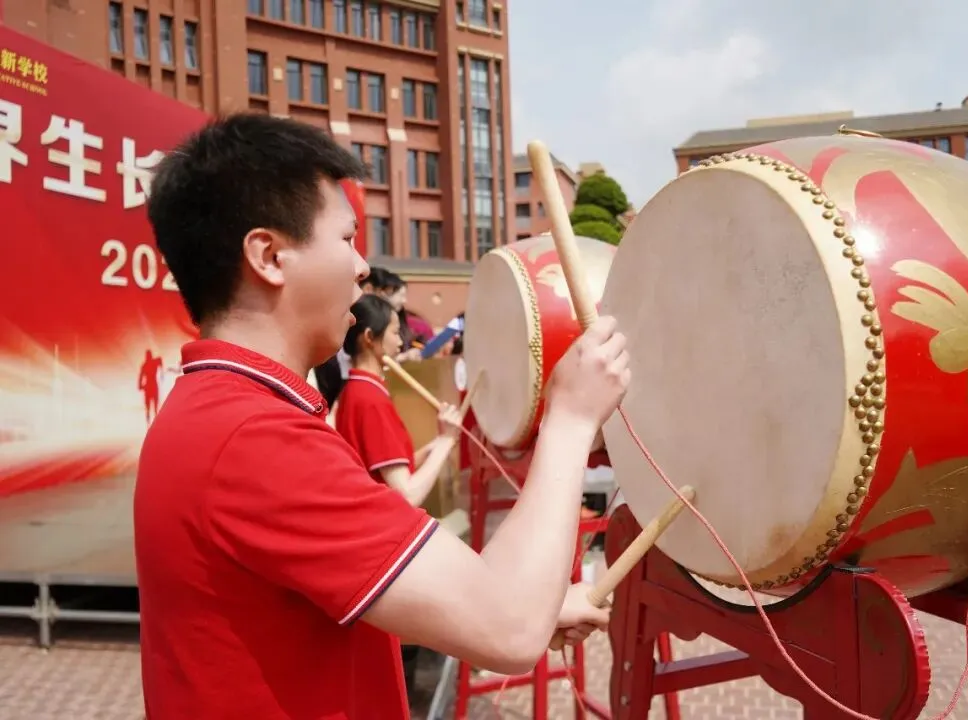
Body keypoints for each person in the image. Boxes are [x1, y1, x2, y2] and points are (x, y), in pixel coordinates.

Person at [134, 112, 628, 720]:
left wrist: (536, 601)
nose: (362, 267)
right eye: (345, 240)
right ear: (268, 255)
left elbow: (483, 606)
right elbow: (509, 632)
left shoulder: (216, 411)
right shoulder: (256, 439)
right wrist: (572, 419)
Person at [336, 293, 459, 506]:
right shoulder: (369, 398)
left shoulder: (356, 389)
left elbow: (391, 466)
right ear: (368, 337)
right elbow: (407, 494)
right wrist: (446, 443)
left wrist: (437, 443)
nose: (401, 342)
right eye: (394, 332)